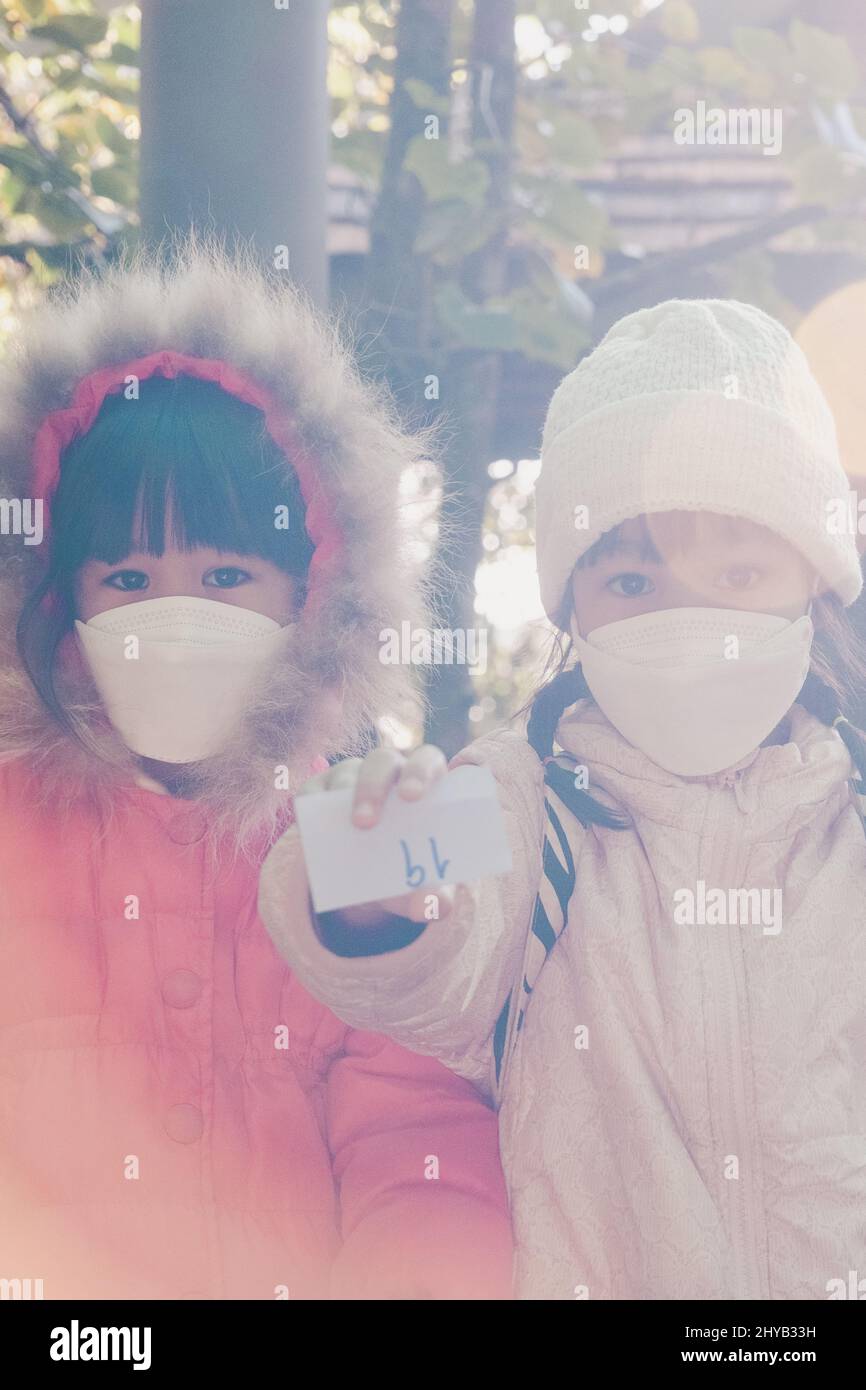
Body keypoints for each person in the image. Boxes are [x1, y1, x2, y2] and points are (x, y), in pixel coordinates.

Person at [259, 298, 866, 1300]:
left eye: (738, 570)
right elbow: (425, 972)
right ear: (571, 605)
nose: (686, 616)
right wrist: (371, 883)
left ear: (814, 576)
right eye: (631, 581)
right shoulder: (521, 794)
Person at [0, 241, 512, 1301]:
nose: (171, 614)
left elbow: (421, 1136)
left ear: (311, 594)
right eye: (129, 577)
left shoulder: (366, 825)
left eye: (225, 574)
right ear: (63, 601)